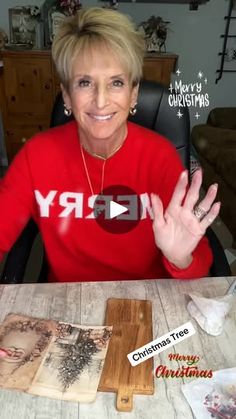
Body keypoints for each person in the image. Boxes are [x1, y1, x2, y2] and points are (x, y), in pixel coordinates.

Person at [0, 7, 220, 282]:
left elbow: (199, 262)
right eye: (84, 83)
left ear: (133, 94)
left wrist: (180, 257)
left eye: (116, 82)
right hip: (68, 306)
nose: (101, 101)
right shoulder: (37, 155)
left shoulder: (161, 157)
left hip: (144, 304)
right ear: (66, 96)